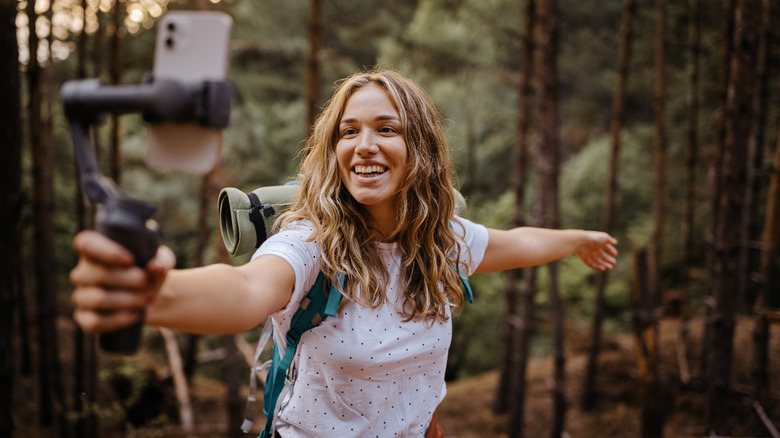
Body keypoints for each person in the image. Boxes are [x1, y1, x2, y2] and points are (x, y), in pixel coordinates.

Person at [70, 69, 618, 437]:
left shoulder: (440, 238)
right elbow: (244, 290)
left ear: (420, 150)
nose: (364, 145)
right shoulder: (312, 242)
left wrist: (577, 241)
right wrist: (155, 293)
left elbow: (516, 242)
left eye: (387, 129)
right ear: (334, 150)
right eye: (348, 131)